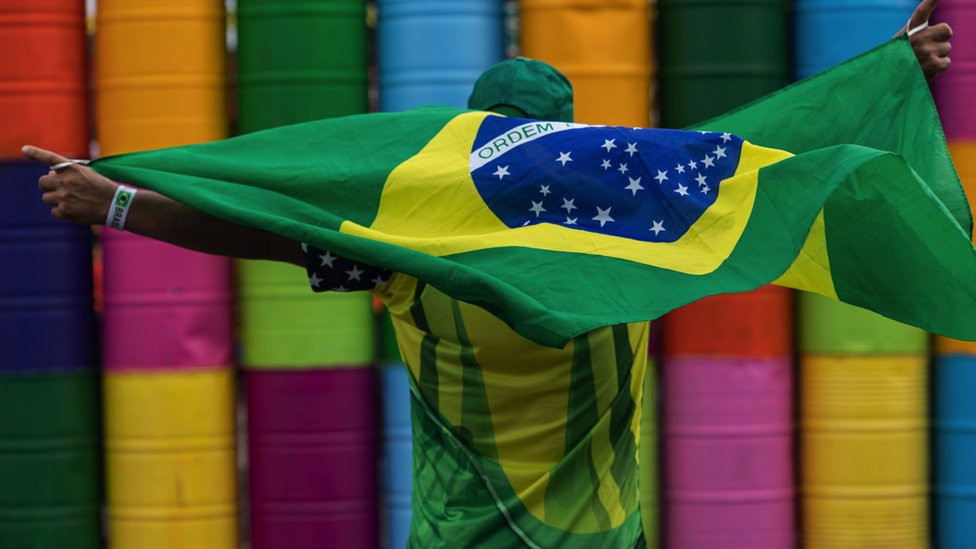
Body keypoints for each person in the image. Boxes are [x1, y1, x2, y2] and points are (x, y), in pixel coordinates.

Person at [21, 2, 952, 546]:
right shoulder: (650, 228)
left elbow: (264, 222)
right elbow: (776, 146)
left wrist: (117, 199)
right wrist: (892, 68)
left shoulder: (402, 244)